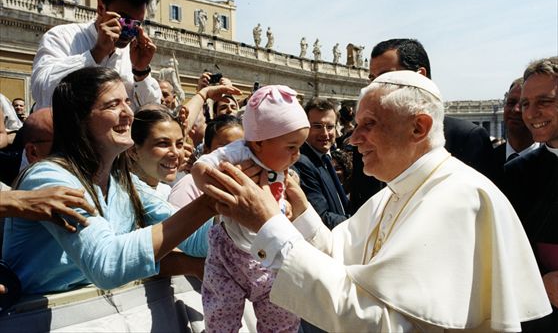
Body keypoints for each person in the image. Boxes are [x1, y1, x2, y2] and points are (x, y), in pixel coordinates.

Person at [203, 70, 551, 332]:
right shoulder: (396, 191)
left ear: (418, 128)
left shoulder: (457, 198)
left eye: (368, 124)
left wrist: (269, 225)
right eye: (355, 125)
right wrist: (300, 209)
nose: (353, 139)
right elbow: (338, 257)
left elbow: (382, 322)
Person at [2, 67, 216, 294]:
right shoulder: (48, 177)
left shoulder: (124, 184)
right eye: (113, 105)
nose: (128, 113)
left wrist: (227, 204)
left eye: (127, 102)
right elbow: (107, 264)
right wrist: (207, 203)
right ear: (79, 120)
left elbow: (198, 243)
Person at [191, 85, 309, 332]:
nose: (297, 154)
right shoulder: (239, 152)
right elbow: (201, 166)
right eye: (291, 147)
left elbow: (279, 192)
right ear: (258, 143)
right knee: (221, 315)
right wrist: (216, 187)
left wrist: (285, 205)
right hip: (228, 254)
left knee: (283, 316)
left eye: (299, 147)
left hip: (272, 256)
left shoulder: (281, 161)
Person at [349, 38, 499, 213]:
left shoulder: (466, 138)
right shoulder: (366, 143)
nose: (373, 86)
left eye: (384, 77)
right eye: (372, 79)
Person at [31, 0, 160, 111]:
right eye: (125, 20)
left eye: (136, 24)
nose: (129, 30)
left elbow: (151, 112)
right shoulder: (62, 36)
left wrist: (141, 72)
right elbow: (41, 91)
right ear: (100, 8)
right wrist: (95, 54)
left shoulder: (132, 55)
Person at [503, 57, 558, 331]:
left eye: (544, 102)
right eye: (526, 104)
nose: (531, 113)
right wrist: (541, 279)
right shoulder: (515, 174)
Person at [293, 98, 349, 229]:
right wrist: (357, 223)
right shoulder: (301, 162)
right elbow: (321, 217)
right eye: (317, 126)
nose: (325, 134)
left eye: (330, 127)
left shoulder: (326, 158)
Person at [129, 105, 186, 200]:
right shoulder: (118, 194)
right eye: (163, 144)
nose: (175, 152)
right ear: (133, 151)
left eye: (179, 144)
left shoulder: (168, 192)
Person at [494, 77, 538, 166]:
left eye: (524, 104)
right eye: (511, 102)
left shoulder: (554, 161)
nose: (516, 109)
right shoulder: (484, 160)